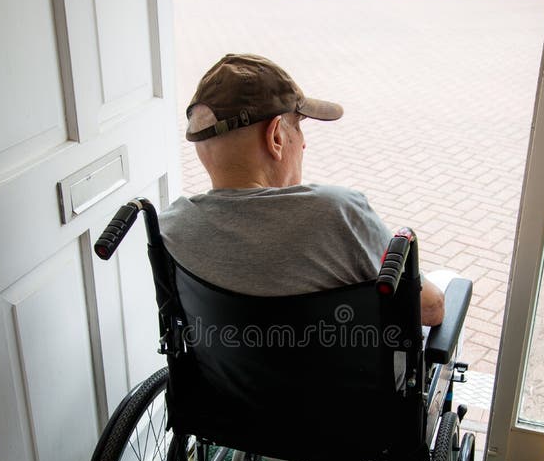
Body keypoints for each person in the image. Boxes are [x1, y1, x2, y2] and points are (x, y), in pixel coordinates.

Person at [159, 53, 445, 326]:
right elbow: (430, 308)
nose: (303, 142)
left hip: (225, 378)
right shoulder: (337, 213)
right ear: (275, 137)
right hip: (341, 377)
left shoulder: (172, 227)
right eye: (297, 127)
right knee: (447, 279)